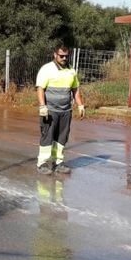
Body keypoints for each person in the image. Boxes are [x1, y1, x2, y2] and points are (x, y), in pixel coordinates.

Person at [35, 43, 85, 174]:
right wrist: (42, 106)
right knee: (48, 136)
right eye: (61, 56)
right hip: (50, 111)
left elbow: (75, 90)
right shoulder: (47, 69)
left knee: (62, 137)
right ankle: (42, 163)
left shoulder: (71, 71)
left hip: (65, 111)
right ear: (55, 55)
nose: (64, 58)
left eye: (66, 56)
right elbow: (40, 88)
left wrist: (80, 105)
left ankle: (58, 162)